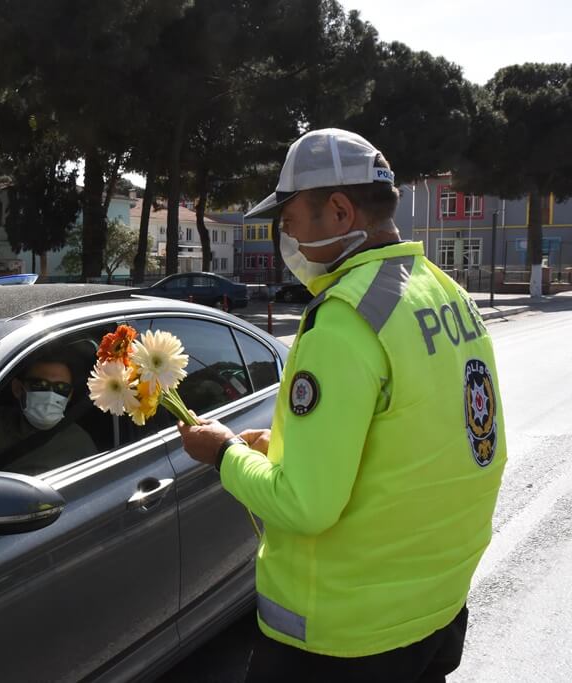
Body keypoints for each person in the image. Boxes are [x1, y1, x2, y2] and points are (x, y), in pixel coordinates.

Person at [176, 128, 506, 682]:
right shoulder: (448, 294)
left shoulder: (347, 319)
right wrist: (279, 449)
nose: (287, 239)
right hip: (436, 609)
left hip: (344, 638)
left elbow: (306, 506)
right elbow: (434, 441)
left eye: (290, 223)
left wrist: (225, 453)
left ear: (338, 211)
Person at [0, 352, 96, 478]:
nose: (50, 395)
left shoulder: (79, 443)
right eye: (40, 385)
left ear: (70, 395)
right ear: (17, 389)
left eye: (61, 388)